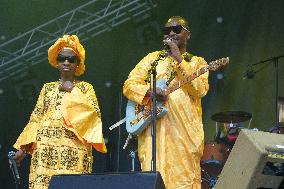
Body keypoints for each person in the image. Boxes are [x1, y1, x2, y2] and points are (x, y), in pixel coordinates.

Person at [123, 16, 209, 189]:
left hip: (183, 137)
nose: (171, 32)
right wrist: (150, 91)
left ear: (188, 34)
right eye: (167, 30)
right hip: (153, 134)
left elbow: (199, 89)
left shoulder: (197, 62)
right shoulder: (152, 60)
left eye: (177, 29)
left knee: (183, 182)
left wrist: (178, 58)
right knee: (152, 181)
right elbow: (129, 85)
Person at [11, 35, 107, 189]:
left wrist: (72, 90)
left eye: (71, 59)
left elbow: (93, 116)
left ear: (78, 63)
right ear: (57, 62)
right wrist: (23, 149)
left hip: (73, 152)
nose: (66, 62)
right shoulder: (47, 88)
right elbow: (36, 119)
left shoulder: (86, 88)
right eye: (62, 58)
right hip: (44, 152)